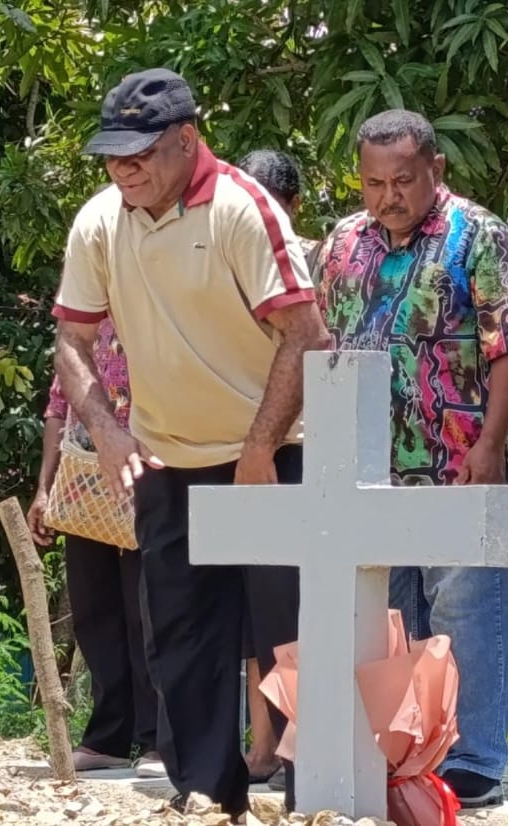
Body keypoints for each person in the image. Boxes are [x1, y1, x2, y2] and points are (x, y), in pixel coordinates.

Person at [52, 68, 329, 817]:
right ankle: (207, 794)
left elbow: (305, 334)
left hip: (271, 453)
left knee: (291, 635)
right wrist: (108, 433)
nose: (124, 169)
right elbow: (72, 342)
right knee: (180, 638)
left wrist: (260, 447)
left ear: (186, 139)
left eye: (140, 153)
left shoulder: (243, 208)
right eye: (113, 156)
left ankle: (315, 796)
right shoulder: (99, 221)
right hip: (167, 455)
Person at [316, 110, 508, 809]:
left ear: (435, 170)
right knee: (390, 620)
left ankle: (472, 762)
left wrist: (490, 445)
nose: (389, 196)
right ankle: (404, 760)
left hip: (459, 460)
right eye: (374, 183)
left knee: (465, 612)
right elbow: (320, 342)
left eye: (404, 180)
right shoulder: (342, 243)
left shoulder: (480, 236)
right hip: (367, 469)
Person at [27, 318, 163, 777]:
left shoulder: (158, 305)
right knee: (94, 609)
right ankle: (108, 737)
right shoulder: (81, 325)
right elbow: (58, 405)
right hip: (83, 478)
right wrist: (44, 488)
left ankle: (159, 739)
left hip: (149, 472)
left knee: (148, 609)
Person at [234, 148, 316, 786]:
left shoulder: (314, 259)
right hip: (230, 445)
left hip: (296, 446)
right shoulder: (222, 256)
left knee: (289, 608)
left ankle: (297, 744)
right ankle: (263, 744)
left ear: (291, 207)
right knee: (250, 611)